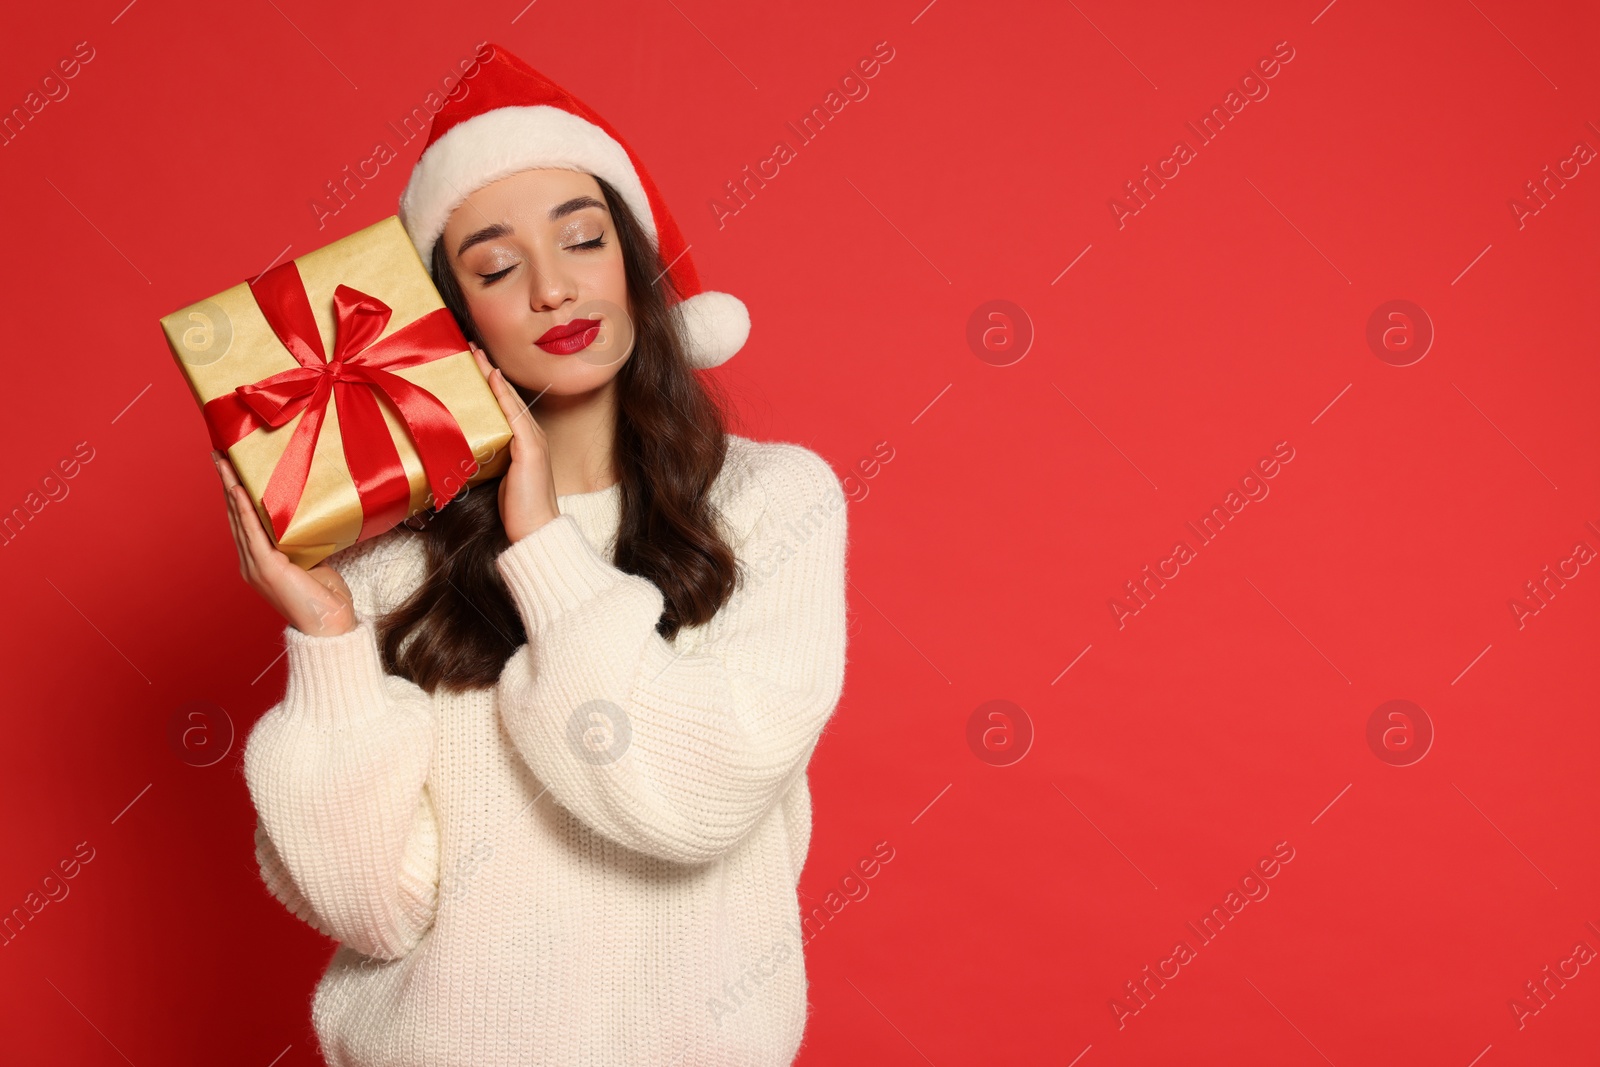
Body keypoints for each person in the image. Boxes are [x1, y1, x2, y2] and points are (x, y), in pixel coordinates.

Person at [219, 43, 849, 1067]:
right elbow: (376, 905)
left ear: (634, 266)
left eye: (584, 241)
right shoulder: (391, 564)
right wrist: (328, 633)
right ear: (454, 319)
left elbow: (693, 797)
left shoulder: (772, 501)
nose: (553, 289)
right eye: (497, 267)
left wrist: (544, 544)